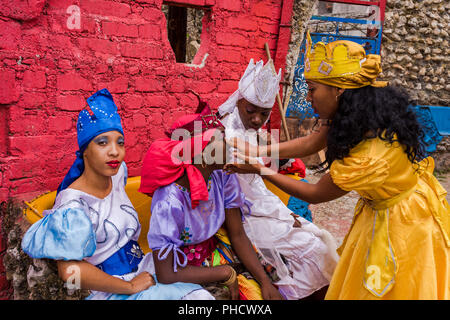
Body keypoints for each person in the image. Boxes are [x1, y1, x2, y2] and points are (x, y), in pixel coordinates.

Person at [225, 35, 450, 299]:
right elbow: (313, 141)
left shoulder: (370, 157)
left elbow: (315, 194)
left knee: (390, 286)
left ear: (338, 90)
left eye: (312, 89)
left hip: (404, 222)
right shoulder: (351, 114)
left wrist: (260, 169)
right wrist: (261, 151)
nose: (308, 97)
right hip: (380, 207)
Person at [21, 88, 212, 300]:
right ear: (84, 150)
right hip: (112, 291)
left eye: (120, 143)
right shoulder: (72, 207)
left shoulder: (117, 174)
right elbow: (70, 274)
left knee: (199, 297)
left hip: (143, 269)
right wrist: (129, 286)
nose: (115, 151)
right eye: (102, 142)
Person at [216, 58, 339, 300]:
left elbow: (265, 179)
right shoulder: (223, 137)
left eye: (264, 114)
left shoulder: (255, 134)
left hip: (264, 203)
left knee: (321, 245)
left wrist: (263, 156)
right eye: (250, 111)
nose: (256, 120)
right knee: (313, 251)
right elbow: (235, 199)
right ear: (239, 101)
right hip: (244, 211)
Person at [138, 101, 284, 300]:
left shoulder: (223, 175)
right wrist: (224, 272)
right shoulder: (169, 201)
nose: (230, 143)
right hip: (182, 267)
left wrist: (265, 282)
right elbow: (166, 273)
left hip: (216, 250)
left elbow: (238, 234)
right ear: (203, 155)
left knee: (274, 280)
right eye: (222, 139)